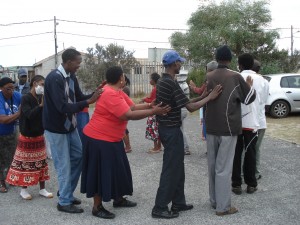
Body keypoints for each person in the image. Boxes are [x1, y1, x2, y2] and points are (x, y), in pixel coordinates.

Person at [80, 66, 171, 219]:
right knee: (100, 172)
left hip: (112, 139)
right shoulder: (110, 93)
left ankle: (118, 199)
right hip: (99, 139)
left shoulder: (117, 91)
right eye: (123, 75)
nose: (124, 78)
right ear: (120, 78)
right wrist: (153, 112)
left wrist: (150, 105)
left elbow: (133, 106)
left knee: (118, 169)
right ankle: (97, 207)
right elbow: (128, 114)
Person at [152, 50, 222, 219]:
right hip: (171, 130)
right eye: (179, 62)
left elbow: (185, 102)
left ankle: (178, 202)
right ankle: (159, 207)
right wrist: (210, 97)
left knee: (178, 167)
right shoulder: (169, 82)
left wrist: (204, 95)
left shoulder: (165, 81)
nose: (181, 65)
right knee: (171, 168)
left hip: (169, 129)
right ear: (174, 64)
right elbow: (190, 108)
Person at [43, 48, 102, 214]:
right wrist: (88, 102)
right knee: (63, 165)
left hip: (70, 126)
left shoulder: (71, 76)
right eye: (78, 63)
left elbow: (79, 96)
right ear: (68, 62)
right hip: (56, 129)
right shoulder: (54, 78)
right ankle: (64, 202)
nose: (79, 66)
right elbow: (62, 107)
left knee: (79, 156)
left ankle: (66, 193)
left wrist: (94, 95)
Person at [205, 45, 256, 216]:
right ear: (230, 59)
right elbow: (249, 99)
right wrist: (249, 85)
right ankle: (223, 207)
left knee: (213, 166)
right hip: (228, 128)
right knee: (224, 168)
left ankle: (214, 201)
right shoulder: (235, 76)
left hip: (211, 127)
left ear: (217, 58)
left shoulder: (209, 75)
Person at [6, 75, 53, 200]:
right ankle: (23, 190)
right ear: (35, 83)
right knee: (25, 164)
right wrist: (40, 106)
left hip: (39, 135)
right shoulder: (26, 98)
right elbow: (28, 115)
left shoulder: (41, 97)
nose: (43, 87)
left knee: (41, 163)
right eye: (42, 84)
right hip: (27, 136)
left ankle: (42, 189)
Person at [231, 53, 266, 195]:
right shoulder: (262, 80)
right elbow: (263, 102)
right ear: (252, 64)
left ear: (239, 64)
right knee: (251, 153)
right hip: (253, 123)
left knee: (236, 153)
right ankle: (251, 184)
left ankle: (236, 184)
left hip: (237, 123)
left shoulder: (234, 78)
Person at [0, 77, 21, 193]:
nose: (11, 91)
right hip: (0, 132)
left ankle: (9, 178)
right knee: (0, 158)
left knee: (12, 157)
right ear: (1, 89)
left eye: (13, 88)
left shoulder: (16, 95)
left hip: (11, 132)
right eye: (8, 89)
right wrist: (19, 113)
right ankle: (1, 182)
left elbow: (27, 102)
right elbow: (3, 120)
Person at [190, 61, 218, 143]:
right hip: (218, 107)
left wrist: (193, 88)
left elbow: (201, 91)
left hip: (208, 105)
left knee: (208, 125)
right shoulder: (222, 78)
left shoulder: (208, 80)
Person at [252, 60, 269, 180]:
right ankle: (256, 172)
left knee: (244, 148)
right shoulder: (264, 81)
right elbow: (265, 100)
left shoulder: (243, 79)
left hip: (248, 121)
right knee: (256, 148)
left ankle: (242, 173)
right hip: (261, 120)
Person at [141, 72, 162, 153]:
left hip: (154, 111)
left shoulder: (155, 89)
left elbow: (152, 101)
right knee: (158, 128)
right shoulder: (159, 87)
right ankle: (159, 146)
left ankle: (156, 147)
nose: (149, 81)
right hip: (158, 110)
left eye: (151, 79)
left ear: (154, 80)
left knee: (153, 128)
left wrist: (144, 99)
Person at [122, 75, 132, 153]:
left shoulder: (125, 89)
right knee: (124, 129)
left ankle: (128, 147)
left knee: (123, 130)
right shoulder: (124, 88)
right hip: (124, 109)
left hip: (123, 110)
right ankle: (128, 146)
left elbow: (123, 99)